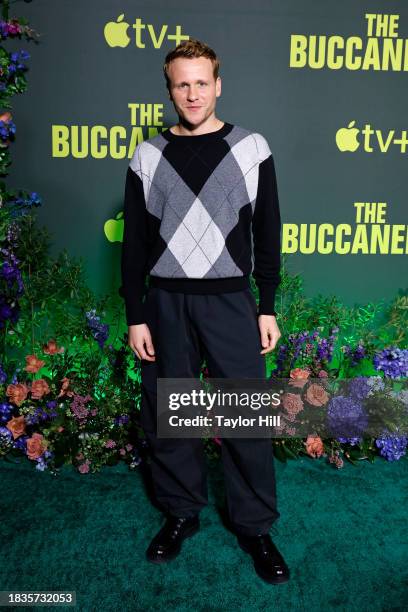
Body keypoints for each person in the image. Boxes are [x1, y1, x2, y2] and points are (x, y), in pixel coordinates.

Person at [119, 37, 290, 585]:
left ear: (218, 85)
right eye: (181, 84)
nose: (192, 93)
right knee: (173, 417)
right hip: (166, 302)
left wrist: (266, 305)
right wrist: (136, 314)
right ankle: (181, 513)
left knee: (244, 416)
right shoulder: (147, 155)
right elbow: (134, 246)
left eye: (201, 82)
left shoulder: (252, 148)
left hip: (230, 299)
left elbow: (268, 233)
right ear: (169, 90)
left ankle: (255, 526)